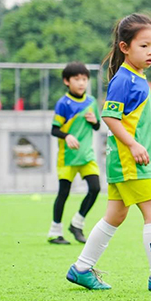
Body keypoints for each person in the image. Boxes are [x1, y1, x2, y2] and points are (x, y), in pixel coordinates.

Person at [66, 14, 151, 291]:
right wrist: (134, 145)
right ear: (125, 47)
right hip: (129, 162)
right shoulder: (125, 80)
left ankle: (81, 268)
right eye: (143, 46)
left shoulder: (137, 79)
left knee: (115, 215)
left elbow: (133, 121)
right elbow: (110, 118)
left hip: (122, 162)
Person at [49, 62, 101, 245]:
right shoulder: (63, 104)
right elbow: (54, 130)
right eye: (77, 79)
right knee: (63, 193)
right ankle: (55, 232)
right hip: (68, 157)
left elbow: (97, 126)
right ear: (66, 81)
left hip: (86, 156)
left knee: (95, 189)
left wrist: (95, 120)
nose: (81, 83)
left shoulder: (91, 102)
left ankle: (77, 223)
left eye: (85, 79)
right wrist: (67, 135)